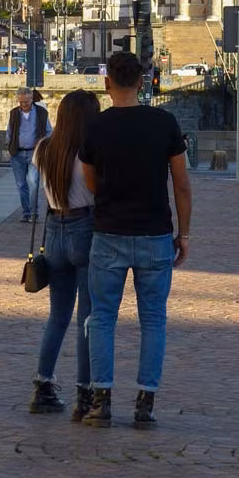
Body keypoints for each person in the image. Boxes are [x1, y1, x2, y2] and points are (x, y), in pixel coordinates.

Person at [79, 52, 191, 430]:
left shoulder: (95, 127)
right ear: (142, 82)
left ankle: (101, 400)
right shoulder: (165, 122)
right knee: (154, 320)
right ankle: (145, 403)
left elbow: (91, 181)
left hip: (109, 231)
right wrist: (184, 234)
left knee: (102, 318)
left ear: (107, 83)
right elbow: (181, 185)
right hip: (155, 233)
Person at [28, 89, 101, 420]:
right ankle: (84, 392)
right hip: (84, 226)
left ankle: (43, 384)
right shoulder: (88, 152)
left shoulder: (44, 148)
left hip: (54, 229)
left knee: (57, 315)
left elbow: (36, 187)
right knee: (87, 316)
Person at [6, 87, 52, 223]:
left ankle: (34, 213)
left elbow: (49, 131)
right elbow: (9, 131)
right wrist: (9, 144)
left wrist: (42, 145)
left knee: (33, 182)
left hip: (34, 152)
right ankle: (26, 213)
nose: (23, 104)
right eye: (21, 102)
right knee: (21, 185)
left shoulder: (41, 113)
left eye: (26, 101)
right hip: (17, 153)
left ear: (31, 99)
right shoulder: (14, 113)